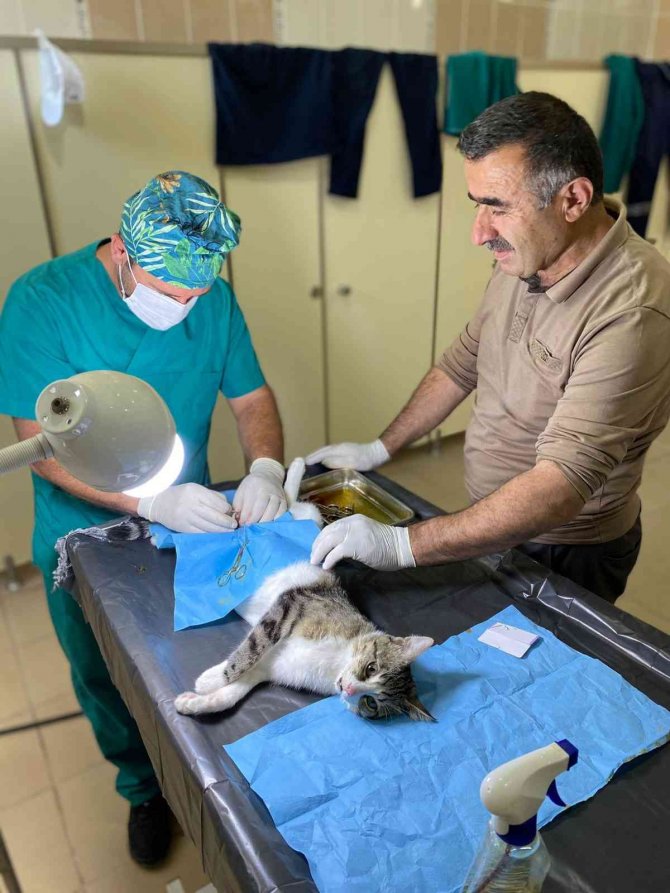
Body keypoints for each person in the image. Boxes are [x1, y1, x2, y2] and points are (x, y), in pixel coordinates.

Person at [0, 171, 286, 865]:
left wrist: (266, 467)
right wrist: (148, 503)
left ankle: (212, 776)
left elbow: (252, 399)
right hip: (83, 532)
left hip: (190, 519)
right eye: (168, 293)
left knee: (196, 654)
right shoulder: (44, 301)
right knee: (104, 672)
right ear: (123, 253)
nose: (184, 308)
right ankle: (142, 788)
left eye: (195, 295)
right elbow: (36, 444)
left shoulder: (213, 301)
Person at [307, 92, 670, 605]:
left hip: (566, 547)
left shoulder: (633, 309)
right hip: (497, 522)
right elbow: (462, 364)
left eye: (497, 207)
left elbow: (562, 484)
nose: (479, 233)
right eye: (477, 204)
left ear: (573, 199)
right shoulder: (530, 254)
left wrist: (403, 545)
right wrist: (380, 448)